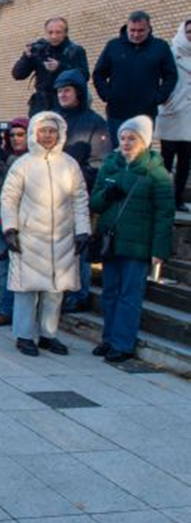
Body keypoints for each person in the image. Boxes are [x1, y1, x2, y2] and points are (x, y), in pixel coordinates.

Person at [0, 112, 91, 357]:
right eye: (43, 131)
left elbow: (79, 198)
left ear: (59, 133)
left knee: (54, 290)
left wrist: (83, 230)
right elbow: (9, 199)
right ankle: (24, 335)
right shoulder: (23, 164)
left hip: (60, 237)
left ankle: (48, 334)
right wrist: (10, 228)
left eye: (52, 131)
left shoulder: (69, 165)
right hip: (29, 237)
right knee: (27, 290)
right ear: (35, 133)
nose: (48, 135)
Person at [91, 115, 175, 363]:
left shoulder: (156, 173)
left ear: (144, 141)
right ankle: (108, 338)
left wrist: (159, 250)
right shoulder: (110, 164)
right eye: (123, 138)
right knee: (109, 293)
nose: (126, 143)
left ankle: (123, 343)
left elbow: (164, 214)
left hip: (138, 245)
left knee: (129, 295)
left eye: (132, 139)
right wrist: (107, 194)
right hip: (112, 241)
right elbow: (95, 202)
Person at [52, 69, 111, 313]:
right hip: (50, 196)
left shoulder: (95, 123)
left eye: (67, 90)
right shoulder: (52, 118)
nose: (62, 95)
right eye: (59, 91)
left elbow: (99, 162)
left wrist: (73, 181)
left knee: (78, 249)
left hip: (78, 195)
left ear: (78, 91)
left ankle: (79, 294)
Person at [94, 11, 179, 147]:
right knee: (118, 153)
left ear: (148, 29)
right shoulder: (113, 46)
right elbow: (99, 74)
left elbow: (171, 75)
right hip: (117, 112)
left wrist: (158, 97)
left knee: (142, 155)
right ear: (127, 28)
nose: (136, 34)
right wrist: (108, 95)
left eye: (141, 30)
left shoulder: (160, 47)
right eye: (132, 30)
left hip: (145, 114)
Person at [0, 118, 29, 328]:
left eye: (20, 135)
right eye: (12, 135)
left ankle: (22, 317)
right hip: (1, 221)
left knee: (20, 271)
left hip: (25, 224)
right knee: (3, 269)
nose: (16, 139)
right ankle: (4, 310)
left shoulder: (31, 161)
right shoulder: (2, 159)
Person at [12, 16, 89, 116]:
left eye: (58, 32)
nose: (54, 36)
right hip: (41, 104)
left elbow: (84, 76)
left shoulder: (75, 50)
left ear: (65, 33)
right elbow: (18, 74)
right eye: (50, 32)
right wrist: (26, 57)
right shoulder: (40, 50)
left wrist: (60, 68)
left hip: (65, 104)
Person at [157, 19, 191, 212]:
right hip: (171, 113)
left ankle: (178, 198)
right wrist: (164, 100)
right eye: (189, 31)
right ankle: (163, 198)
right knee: (166, 160)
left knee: (186, 161)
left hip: (189, 116)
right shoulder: (171, 52)